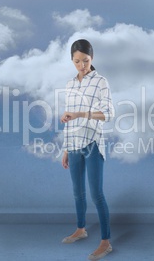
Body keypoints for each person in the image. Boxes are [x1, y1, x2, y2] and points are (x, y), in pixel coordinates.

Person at [60, 39, 115, 260]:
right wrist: (65, 148)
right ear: (71, 60)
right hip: (73, 143)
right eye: (76, 61)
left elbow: (109, 114)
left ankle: (105, 242)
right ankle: (81, 229)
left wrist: (81, 114)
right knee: (77, 192)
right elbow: (69, 117)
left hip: (93, 142)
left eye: (85, 60)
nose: (81, 65)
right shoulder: (70, 84)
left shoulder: (101, 82)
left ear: (92, 59)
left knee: (97, 194)